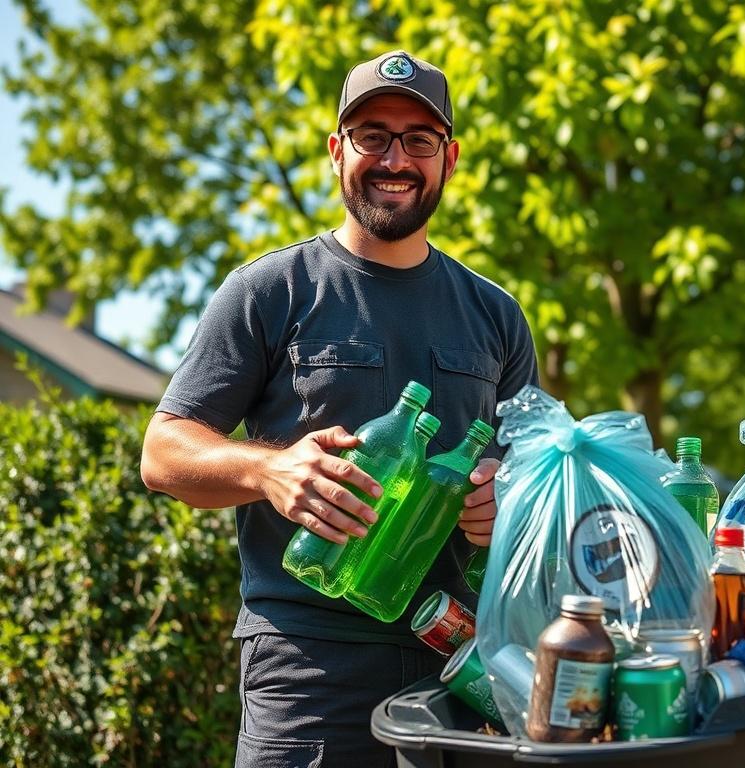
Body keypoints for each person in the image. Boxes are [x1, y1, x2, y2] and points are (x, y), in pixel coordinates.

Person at [140, 50, 539, 767]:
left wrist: (508, 501)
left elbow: (533, 479)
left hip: (464, 666)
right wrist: (271, 473)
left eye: (419, 139)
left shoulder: (496, 316)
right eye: (373, 136)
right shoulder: (270, 289)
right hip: (308, 670)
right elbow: (163, 451)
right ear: (337, 152)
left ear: (447, 159)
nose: (396, 158)